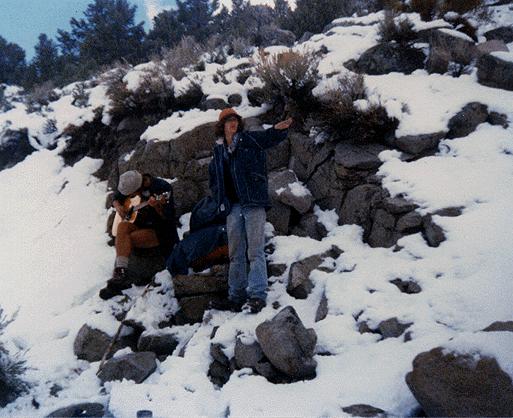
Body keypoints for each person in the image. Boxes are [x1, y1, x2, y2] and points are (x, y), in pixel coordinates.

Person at [208, 108, 293, 313]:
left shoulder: (248, 140)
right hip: (232, 206)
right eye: (228, 120)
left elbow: (267, 138)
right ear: (222, 125)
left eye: (235, 119)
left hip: (253, 202)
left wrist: (278, 129)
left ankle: (257, 295)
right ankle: (236, 296)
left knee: (255, 250)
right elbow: (214, 180)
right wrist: (220, 200)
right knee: (235, 253)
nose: (233, 122)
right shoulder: (218, 152)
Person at [99, 170, 179, 300]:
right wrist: (118, 206)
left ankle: (125, 276)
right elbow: (117, 197)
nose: (131, 196)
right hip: (141, 223)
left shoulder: (162, 188)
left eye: (132, 194)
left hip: (160, 231)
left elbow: (168, 217)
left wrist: (157, 207)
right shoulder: (133, 183)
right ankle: (120, 272)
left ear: (139, 187)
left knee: (128, 239)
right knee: (122, 226)